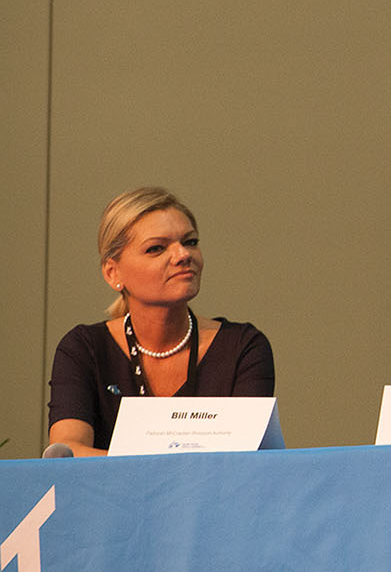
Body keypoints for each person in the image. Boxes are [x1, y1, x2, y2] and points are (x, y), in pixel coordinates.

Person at [47, 187, 275, 455]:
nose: (183, 255)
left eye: (190, 242)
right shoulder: (85, 349)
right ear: (112, 272)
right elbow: (65, 453)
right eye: (156, 248)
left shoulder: (242, 347)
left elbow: (246, 460)